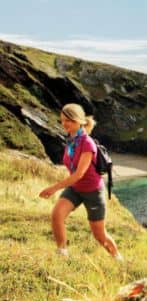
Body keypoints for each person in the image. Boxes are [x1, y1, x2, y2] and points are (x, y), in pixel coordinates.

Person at [39, 103, 122, 260]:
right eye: (62, 120)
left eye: (68, 120)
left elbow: (79, 174)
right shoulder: (71, 141)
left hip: (93, 191)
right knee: (57, 215)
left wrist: (53, 188)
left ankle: (118, 258)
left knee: (99, 235)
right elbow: (72, 169)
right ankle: (62, 253)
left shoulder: (87, 143)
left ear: (78, 120)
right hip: (76, 189)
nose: (64, 124)